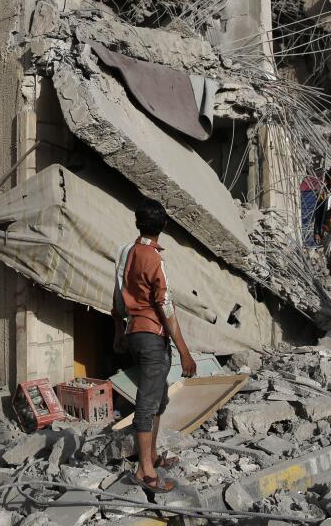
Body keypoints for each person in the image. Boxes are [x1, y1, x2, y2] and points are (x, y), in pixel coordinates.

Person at [112, 199, 197, 493]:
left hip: (134, 331)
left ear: (137, 223)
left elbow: (117, 298)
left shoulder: (127, 252)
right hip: (152, 336)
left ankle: (151, 457)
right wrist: (185, 353)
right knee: (148, 404)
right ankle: (144, 471)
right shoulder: (154, 259)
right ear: (164, 226)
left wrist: (119, 332)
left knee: (158, 399)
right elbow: (166, 307)